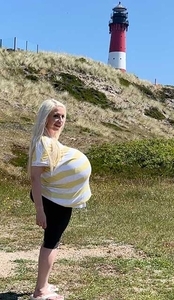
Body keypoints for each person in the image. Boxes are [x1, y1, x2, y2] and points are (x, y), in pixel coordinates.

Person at [28, 99, 92, 300]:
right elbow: (34, 177)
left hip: (58, 198)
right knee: (51, 242)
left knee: (54, 241)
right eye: (55, 115)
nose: (60, 120)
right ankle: (40, 291)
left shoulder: (51, 141)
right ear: (45, 117)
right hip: (52, 200)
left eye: (63, 116)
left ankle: (44, 284)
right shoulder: (42, 142)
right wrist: (40, 210)